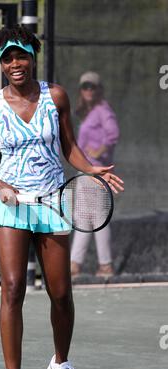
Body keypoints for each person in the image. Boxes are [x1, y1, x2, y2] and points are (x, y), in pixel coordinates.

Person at [0, 25, 124, 369]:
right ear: (1, 64)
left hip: (53, 201)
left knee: (61, 293)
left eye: (21, 55)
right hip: (10, 204)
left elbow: (70, 146)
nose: (15, 63)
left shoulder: (57, 96)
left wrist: (92, 169)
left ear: (33, 57)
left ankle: (61, 365)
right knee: (13, 288)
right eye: (7, 58)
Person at [70, 72, 120, 278]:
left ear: (99, 90)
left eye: (92, 87)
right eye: (85, 87)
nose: (88, 90)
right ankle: (75, 264)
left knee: (98, 217)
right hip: (84, 173)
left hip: (98, 173)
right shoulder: (89, 113)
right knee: (83, 218)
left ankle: (105, 266)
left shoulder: (103, 110)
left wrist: (99, 151)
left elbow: (113, 134)